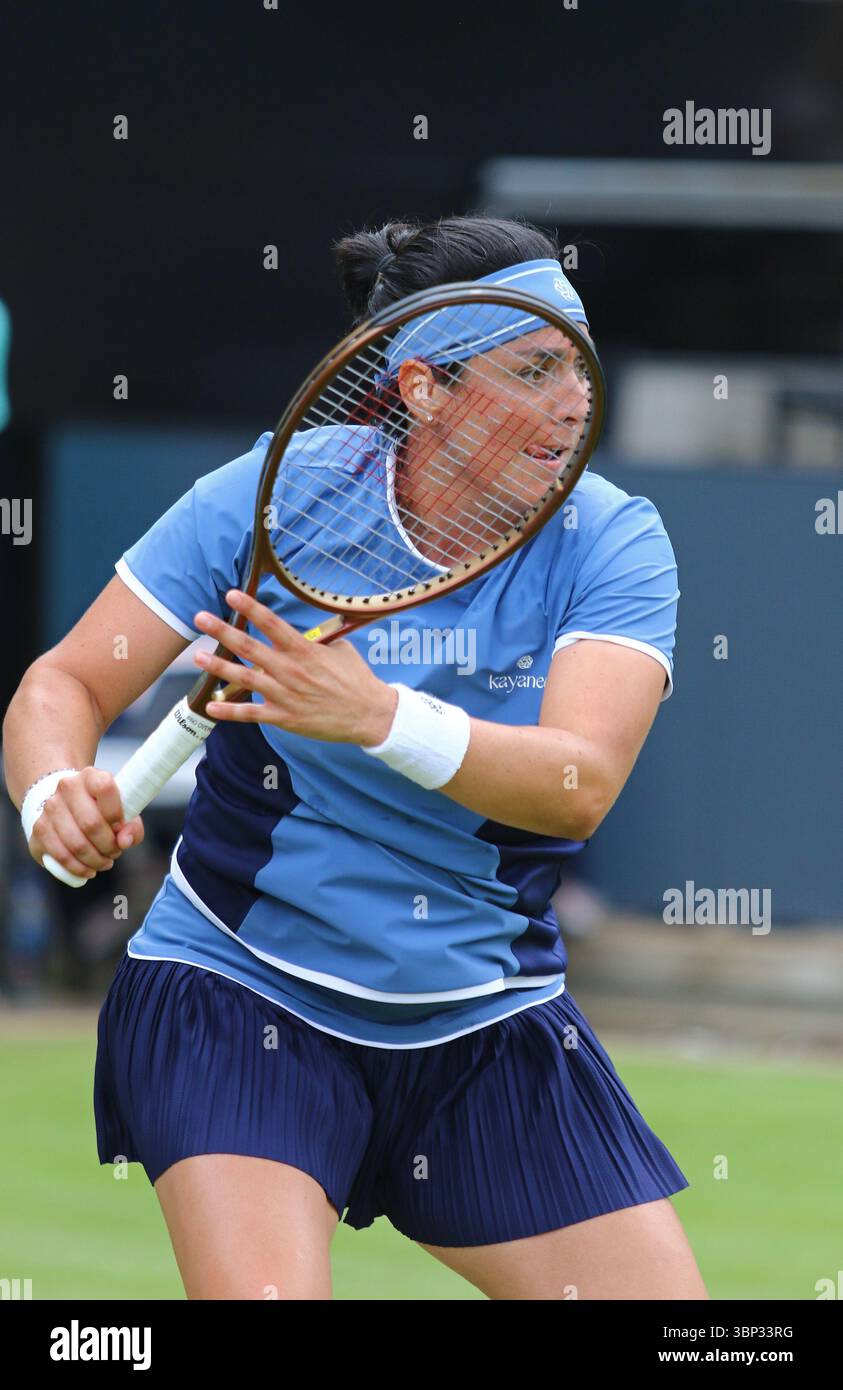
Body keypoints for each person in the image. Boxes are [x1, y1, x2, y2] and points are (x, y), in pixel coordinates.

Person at [3, 215, 707, 1300]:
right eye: (533, 368)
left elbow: (580, 785)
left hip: (489, 1017)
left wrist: (377, 716)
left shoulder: (614, 538)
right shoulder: (271, 496)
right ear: (424, 388)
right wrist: (53, 786)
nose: (576, 400)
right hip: (240, 995)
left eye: (580, 362)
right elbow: (63, 684)